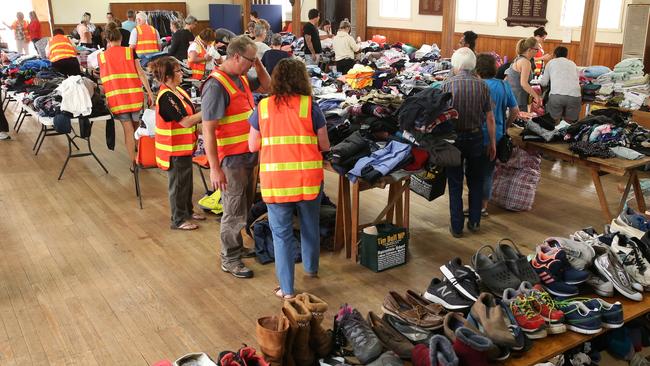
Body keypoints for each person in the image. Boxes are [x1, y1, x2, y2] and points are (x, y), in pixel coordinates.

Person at [248, 58, 330, 298]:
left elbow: (253, 145)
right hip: (307, 179)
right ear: (302, 79)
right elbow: (324, 144)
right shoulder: (310, 106)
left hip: (277, 182)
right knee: (309, 225)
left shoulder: (262, 108)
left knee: (281, 234)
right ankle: (311, 269)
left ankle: (287, 290)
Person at [201, 35, 271, 279]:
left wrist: (259, 65)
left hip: (247, 154)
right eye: (251, 60)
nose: (253, 65)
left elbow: (268, 87)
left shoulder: (239, 77)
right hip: (231, 159)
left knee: (243, 205)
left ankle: (238, 247)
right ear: (236, 57)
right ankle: (229, 258)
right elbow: (207, 130)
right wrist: (214, 168)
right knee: (232, 209)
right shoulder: (216, 85)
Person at [442, 48, 496, 237]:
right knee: (476, 181)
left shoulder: (447, 84)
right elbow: (490, 118)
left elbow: (440, 116)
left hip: (453, 139)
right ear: (473, 65)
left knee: (455, 182)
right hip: (475, 138)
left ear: (455, 65)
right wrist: (492, 143)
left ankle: (456, 227)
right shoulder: (482, 86)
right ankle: (474, 222)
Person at [150, 56, 205, 230]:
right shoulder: (166, 97)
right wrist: (210, 110)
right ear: (167, 76)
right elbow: (186, 121)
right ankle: (178, 219)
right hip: (173, 149)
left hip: (185, 147)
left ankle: (187, 211)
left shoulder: (178, 91)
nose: (182, 73)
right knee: (178, 185)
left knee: (186, 183)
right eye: (178, 71)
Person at [99, 27, 154, 166]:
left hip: (117, 100)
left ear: (107, 40)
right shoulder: (130, 52)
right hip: (134, 97)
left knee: (128, 130)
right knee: (136, 128)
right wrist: (149, 92)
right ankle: (142, 157)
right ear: (121, 38)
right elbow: (141, 73)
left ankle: (133, 162)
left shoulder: (102, 56)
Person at [474, 53, 519, 216]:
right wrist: (505, 126)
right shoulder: (503, 85)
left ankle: (473, 205)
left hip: (475, 135)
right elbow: (515, 111)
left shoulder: (475, 85)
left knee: (473, 172)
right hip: (497, 135)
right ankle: (483, 207)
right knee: (487, 173)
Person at [539, 46, 581, 122]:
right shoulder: (572, 63)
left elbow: (544, 83)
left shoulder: (551, 63)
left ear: (554, 55)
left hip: (557, 95)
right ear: (566, 55)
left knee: (554, 121)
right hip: (575, 96)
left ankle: (555, 132)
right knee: (570, 123)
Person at [505, 37, 542, 112]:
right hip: (518, 100)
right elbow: (524, 83)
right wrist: (536, 96)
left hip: (512, 97)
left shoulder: (517, 59)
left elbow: (506, 79)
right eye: (536, 49)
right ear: (529, 49)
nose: (537, 52)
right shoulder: (525, 62)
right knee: (519, 122)